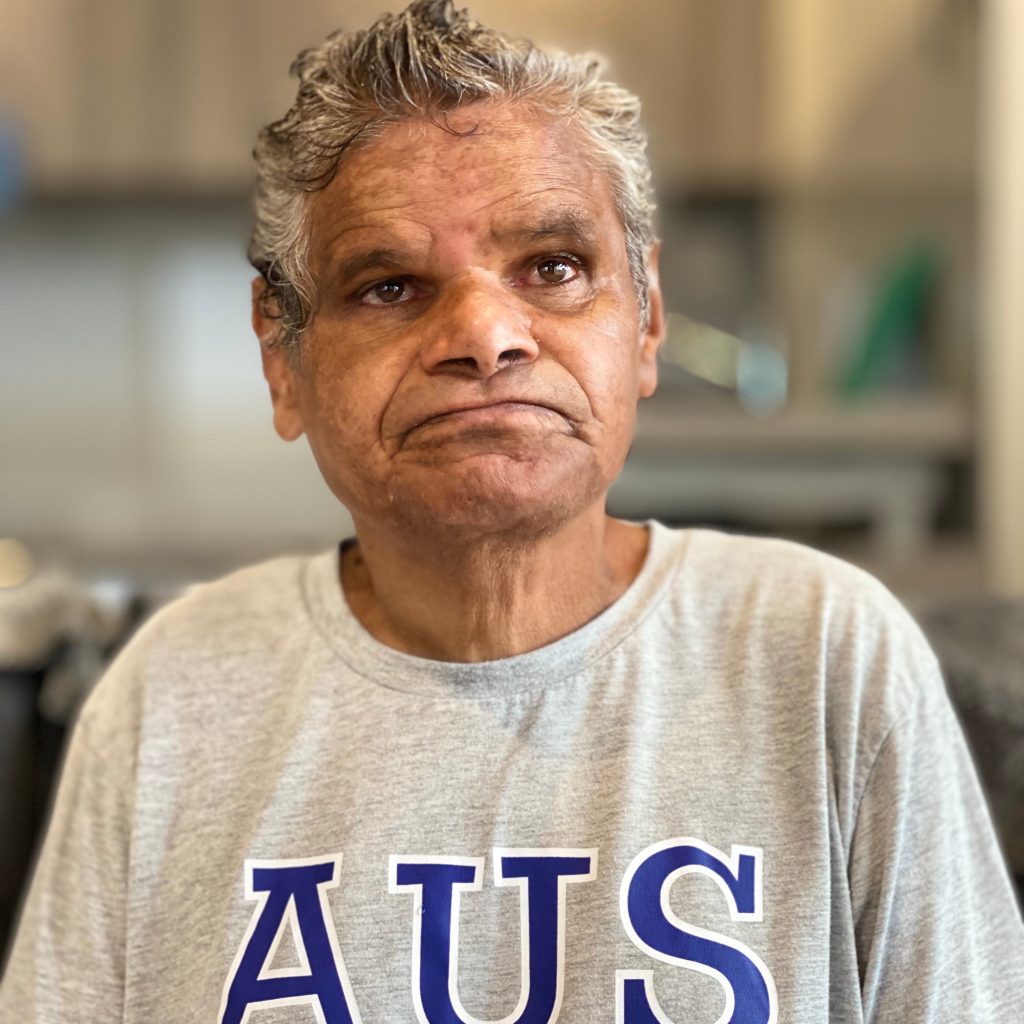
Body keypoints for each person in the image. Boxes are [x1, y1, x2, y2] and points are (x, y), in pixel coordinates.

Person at [2, 1, 1022, 1021]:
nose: (487, 336)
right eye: (391, 285)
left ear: (648, 318)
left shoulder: (826, 657)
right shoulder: (171, 698)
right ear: (283, 359)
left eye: (555, 268)